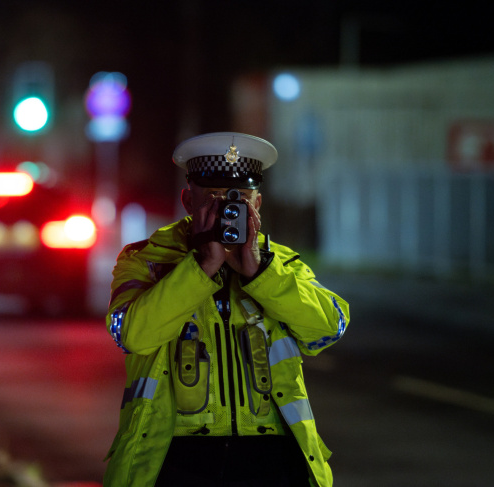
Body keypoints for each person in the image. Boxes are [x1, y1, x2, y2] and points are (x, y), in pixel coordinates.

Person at [103, 132, 350, 487]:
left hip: (271, 455)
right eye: (215, 197)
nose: (228, 209)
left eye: (240, 198)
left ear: (258, 204)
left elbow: (329, 328)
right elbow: (133, 335)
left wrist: (260, 273)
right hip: (174, 454)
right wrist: (201, 267)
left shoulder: (279, 264)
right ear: (189, 200)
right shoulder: (144, 260)